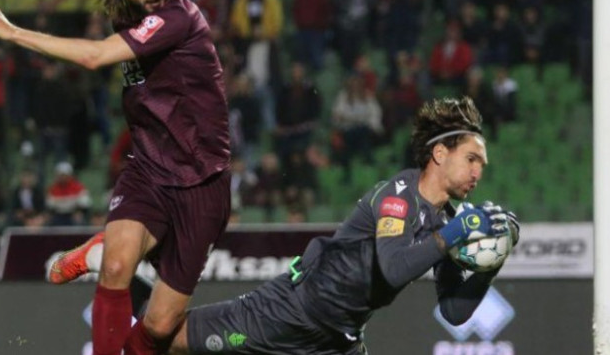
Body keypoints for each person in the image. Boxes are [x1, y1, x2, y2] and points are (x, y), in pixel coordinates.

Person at [0, 0, 231, 355]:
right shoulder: (126, 17)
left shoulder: (178, 17)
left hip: (202, 181)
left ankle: (101, 254)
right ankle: (107, 254)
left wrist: (13, 33)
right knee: (118, 268)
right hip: (149, 170)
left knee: (159, 329)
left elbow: (94, 57)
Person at [116, 96, 518, 354]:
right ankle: (116, 267)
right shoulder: (397, 196)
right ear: (439, 153)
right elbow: (394, 268)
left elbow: (453, 311)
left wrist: (491, 263)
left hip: (336, 340)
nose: (479, 171)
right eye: (472, 159)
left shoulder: (446, 221)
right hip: (289, 312)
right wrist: (458, 234)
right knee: (167, 336)